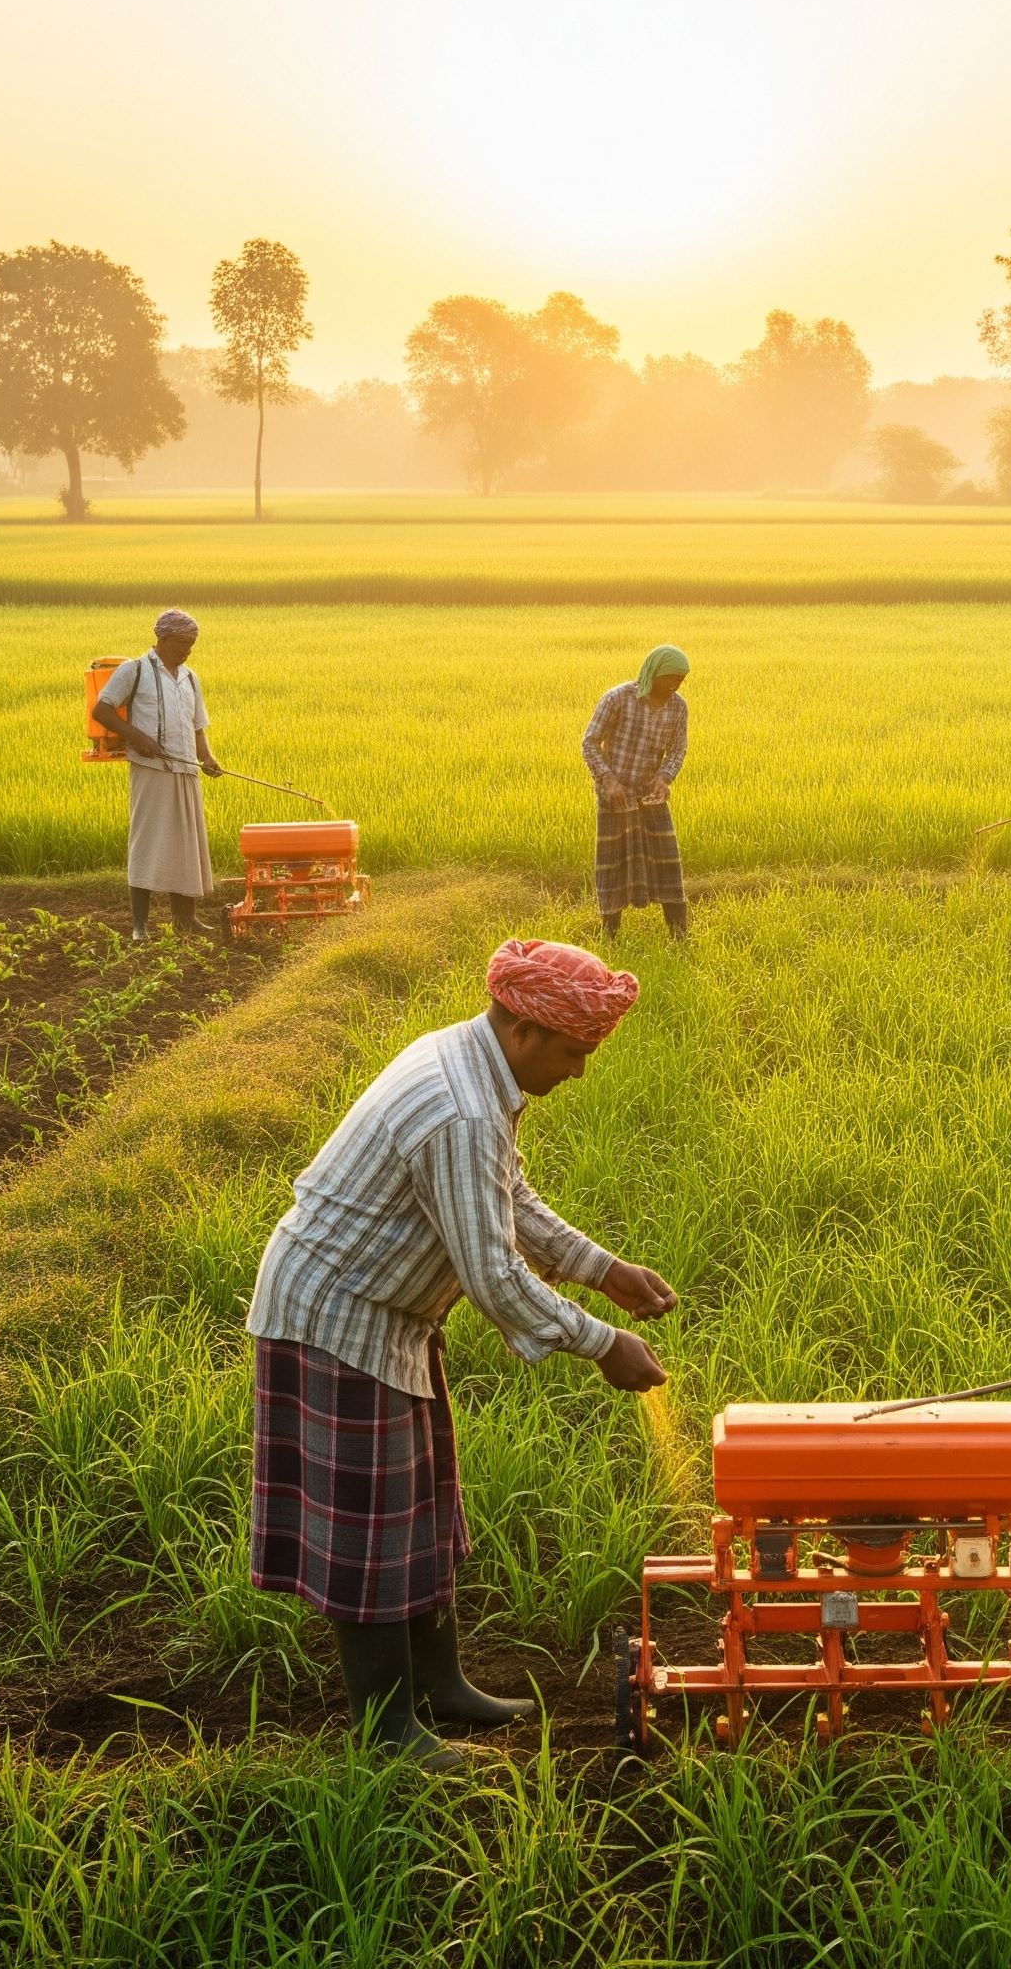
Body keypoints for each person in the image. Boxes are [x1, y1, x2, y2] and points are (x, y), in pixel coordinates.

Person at [246, 938, 677, 1769]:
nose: (579, 1071)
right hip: (335, 1318)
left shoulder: (476, 1066)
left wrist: (603, 1270)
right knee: (372, 1529)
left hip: (389, 1318)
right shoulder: (462, 1106)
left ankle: (441, 1685)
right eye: (575, 1052)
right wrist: (601, 1344)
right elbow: (491, 1272)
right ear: (523, 1030)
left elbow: (507, 1196)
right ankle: (388, 1733)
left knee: (421, 1507)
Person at [91, 610, 223, 941]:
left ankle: (185, 920)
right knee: (147, 842)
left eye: (192, 644)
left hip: (187, 770)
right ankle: (140, 925)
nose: (187, 650)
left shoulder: (190, 678)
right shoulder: (135, 670)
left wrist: (207, 758)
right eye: (182, 642)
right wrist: (137, 736)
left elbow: (198, 727)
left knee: (185, 845)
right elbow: (102, 709)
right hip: (151, 769)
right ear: (162, 639)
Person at [583, 645, 691, 941]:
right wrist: (608, 781)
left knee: (667, 863)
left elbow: (678, 749)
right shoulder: (618, 698)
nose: (675, 685)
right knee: (612, 864)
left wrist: (664, 777)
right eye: (670, 678)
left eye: (681, 679)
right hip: (616, 797)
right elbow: (590, 742)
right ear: (652, 673)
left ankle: (680, 936)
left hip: (650, 797)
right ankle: (610, 935)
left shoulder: (678, 707)